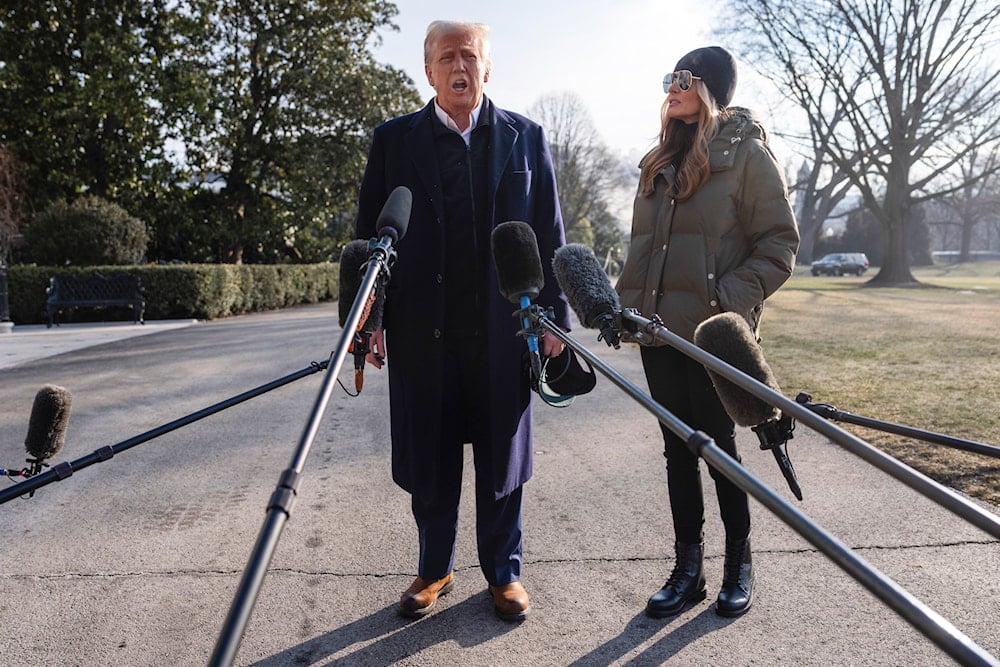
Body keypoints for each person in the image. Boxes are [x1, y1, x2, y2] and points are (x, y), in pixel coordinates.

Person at [354, 19, 570, 622]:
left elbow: (550, 234)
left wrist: (555, 317)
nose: (459, 66)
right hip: (425, 330)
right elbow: (372, 235)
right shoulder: (394, 140)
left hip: (505, 330)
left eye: (469, 56)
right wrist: (367, 319)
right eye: (446, 56)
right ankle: (434, 568)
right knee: (431, 456)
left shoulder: (526, 138)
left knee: (502, 459)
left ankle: (504, 574)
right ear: (427, 70)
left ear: (487, 66)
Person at [615, 46, 799, 619]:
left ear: (710, 89)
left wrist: (724, 302)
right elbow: (643, 252)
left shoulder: (747, 155)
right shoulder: (657, 161)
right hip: (659, 334)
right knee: (677, 449)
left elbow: (779, 246)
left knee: (719, 449)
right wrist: (625, 310)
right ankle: (687, 569)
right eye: (667, 77)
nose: (670, 87)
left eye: (683, 79)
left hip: (714, 337)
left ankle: (738, 563)